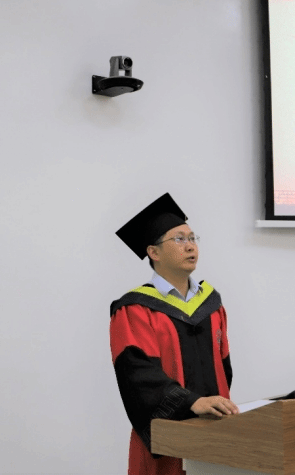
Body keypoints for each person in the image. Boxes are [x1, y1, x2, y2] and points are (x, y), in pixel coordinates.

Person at [111, 193, 239, 475]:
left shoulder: (212, 305)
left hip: (215, 435)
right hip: (168, 441)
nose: (190, 246)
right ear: (154, 253)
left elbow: (224, 368)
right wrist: (192, 402)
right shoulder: (135, 309)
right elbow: (138, 376)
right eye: (179, 239)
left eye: (192, 238)